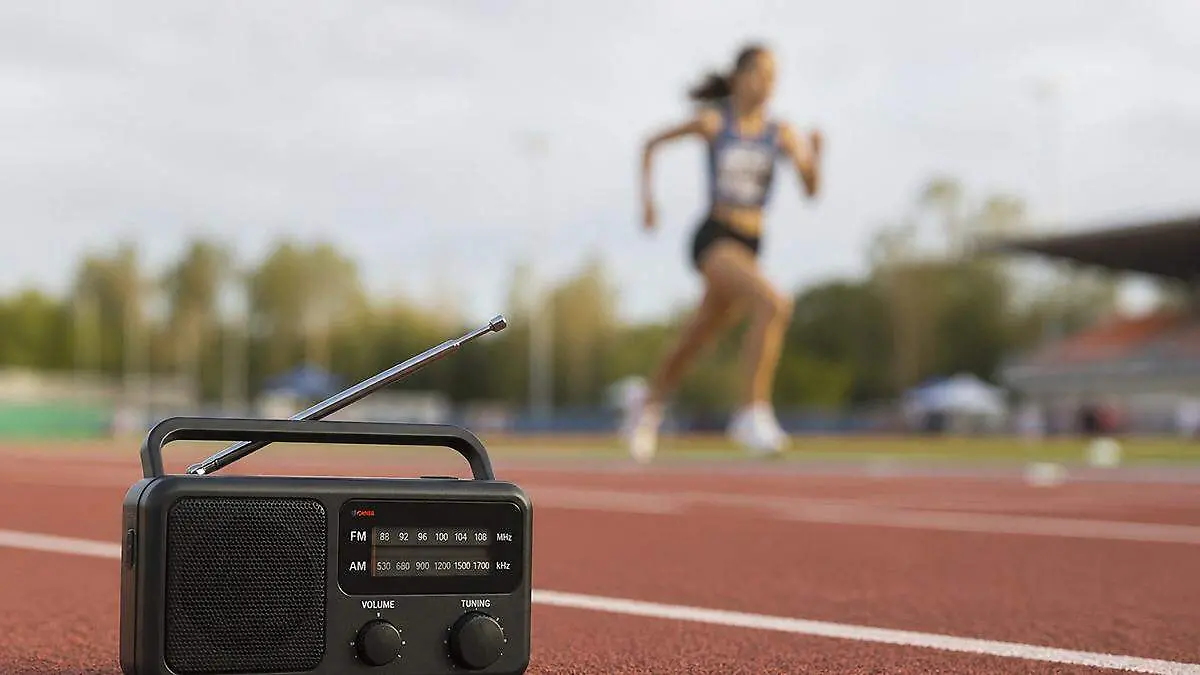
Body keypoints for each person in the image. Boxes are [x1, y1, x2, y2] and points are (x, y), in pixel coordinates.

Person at [625, 42, 823, 463]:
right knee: (774, 304)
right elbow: (650, 144)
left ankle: (648, 406)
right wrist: (647, 201)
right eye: (762, 73)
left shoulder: (780, 133)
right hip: (715, 237)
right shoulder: (715, 124)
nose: (770, 84)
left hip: (751, 244)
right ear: (739, 77)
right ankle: (752, 413)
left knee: (698, 336)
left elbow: (810, 190)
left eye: (775, 77)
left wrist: (816, 156)